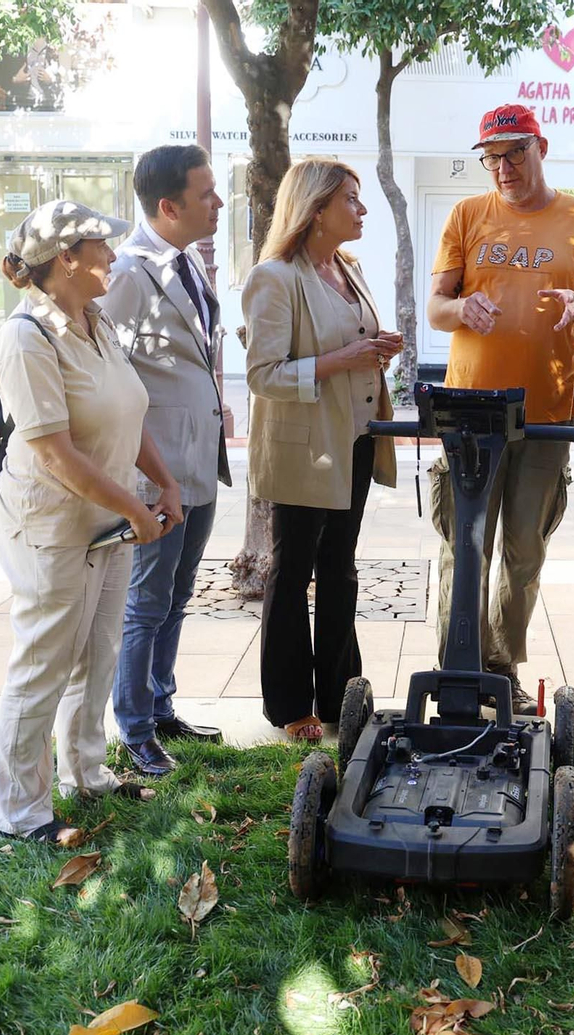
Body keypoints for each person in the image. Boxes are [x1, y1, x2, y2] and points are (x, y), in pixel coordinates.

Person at [0, 199, 186, 845]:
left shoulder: (96, 319)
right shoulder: (25, 338)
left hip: (111, 519)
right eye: (103, 245)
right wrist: (135, 506)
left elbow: (128, 412)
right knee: (46, 662)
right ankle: (21, 812)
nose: (114, 255)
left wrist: (163, 481)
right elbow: (54, 451)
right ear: (66, 257)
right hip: (53, 524)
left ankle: (86, 772)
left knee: (98, 655)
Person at [427, 104, 574, 711]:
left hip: (547, 415)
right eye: (492, 157)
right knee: (464, 544)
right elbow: (436, 306)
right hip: (470, 412)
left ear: (542, 147)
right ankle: (460, 666)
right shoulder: (467, 215)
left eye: (515, 152)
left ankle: (502, 668)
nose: (503, 167)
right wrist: (462, 311)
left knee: (524, 550)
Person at [243, 159, 400, 742]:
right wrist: (346, 360)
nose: (361, 211)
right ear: (316, 209)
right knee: (292, 574)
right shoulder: (275, 276)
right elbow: (263, 374)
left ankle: (341, 697)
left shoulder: (348, 268)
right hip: (302, 448)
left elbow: (352, 344)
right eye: (352, 201)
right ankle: (290, 706)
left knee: (340, 569)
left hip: (354, 439)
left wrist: (377, 348)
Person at [100, 144, 231, 775]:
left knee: (177, 597)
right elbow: (104, 371)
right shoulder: (129, 272)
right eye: (207, 195)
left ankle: (159, 705)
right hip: (157, 471)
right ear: (167, 205)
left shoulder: (188, 262)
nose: (219, 204)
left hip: (198, 462)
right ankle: (133, 725)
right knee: (147, 601)